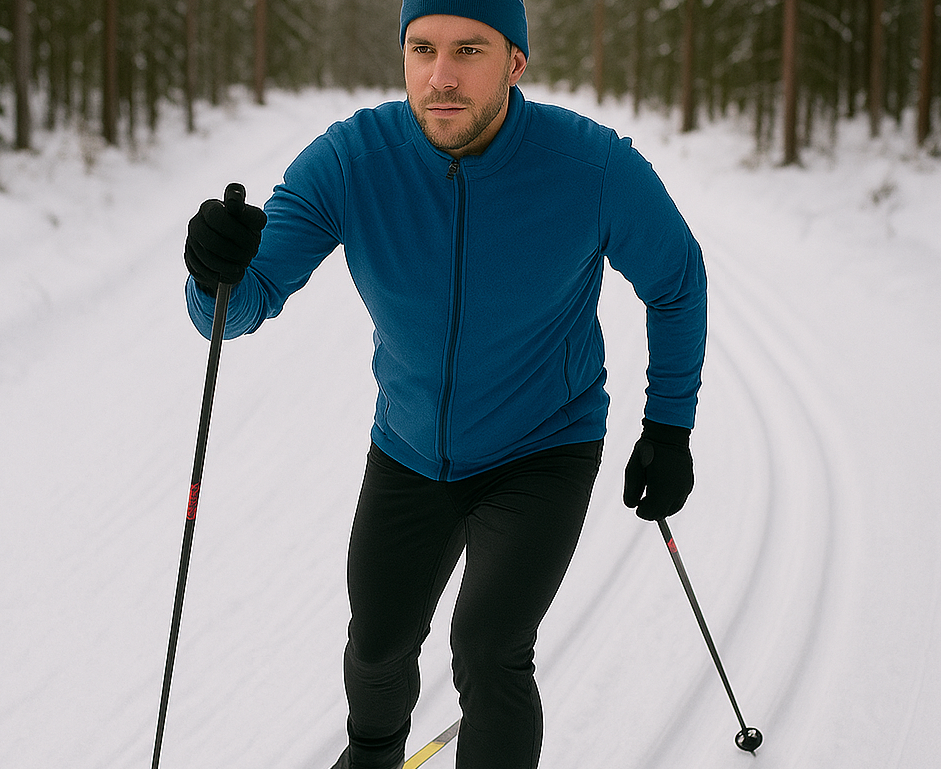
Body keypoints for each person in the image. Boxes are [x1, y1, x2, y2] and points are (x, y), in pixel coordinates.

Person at [182, 1, 707, 767]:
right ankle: (372, 755)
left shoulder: (590, 167)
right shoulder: (351, 161)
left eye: (469, 49)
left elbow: (677, 279)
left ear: (515, 63)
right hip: (410, 447)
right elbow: (238, 306)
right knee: (375, 647)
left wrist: (668, 426)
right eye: (422, 48)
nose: (441, 76)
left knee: (489, 649)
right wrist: (213, 273)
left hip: (542, 447)